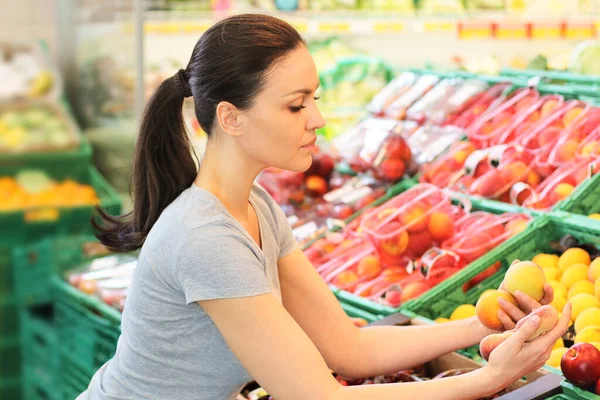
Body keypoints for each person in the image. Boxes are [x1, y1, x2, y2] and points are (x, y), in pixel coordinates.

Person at [80, 13, 571, 400]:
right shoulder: (204, 236)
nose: (317, 118)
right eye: (296, 105)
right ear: (231, 118)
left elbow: (348, 348)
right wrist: (486, 379)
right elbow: (318, 396)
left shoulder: (256, 206)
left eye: (314, 98)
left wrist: (483, 324)